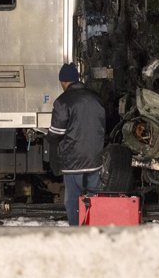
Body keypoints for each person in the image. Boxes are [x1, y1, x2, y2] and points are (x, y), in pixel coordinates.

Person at [48, 63, 105, 225]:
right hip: (94, 159)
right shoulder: (95, 98)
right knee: (93, 197)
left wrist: (49, 137)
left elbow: (57, 132)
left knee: (73, 199)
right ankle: (92, 227)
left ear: (64, 81)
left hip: (74, 161)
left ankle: (76, 230)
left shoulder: (63, 101)